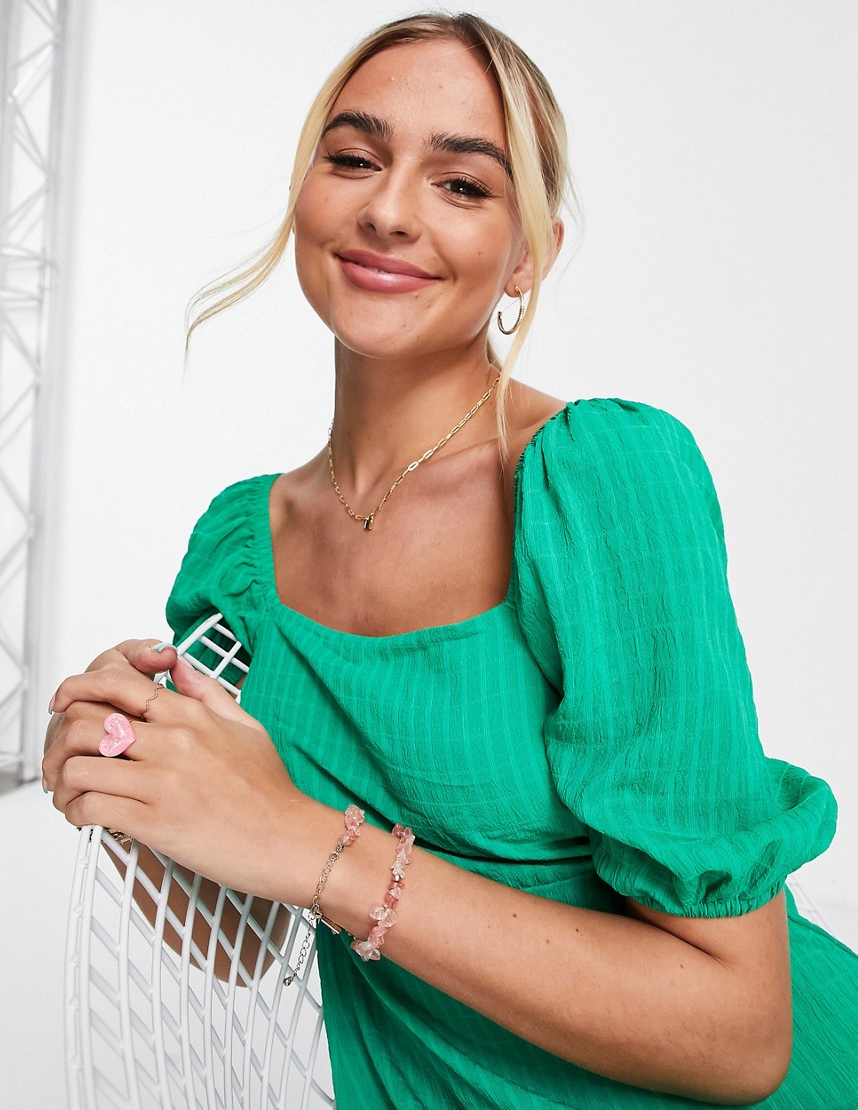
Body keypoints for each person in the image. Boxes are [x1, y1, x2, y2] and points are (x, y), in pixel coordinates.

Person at [42, 13, 858, 1109]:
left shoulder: (598, 481)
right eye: (353, 159)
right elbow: (238, 932)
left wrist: (310, 843)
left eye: (462, 184)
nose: (388, 210)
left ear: (529, 254)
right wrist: (127, 776)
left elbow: (739, 1034)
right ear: (304, 193)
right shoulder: (241, 551)